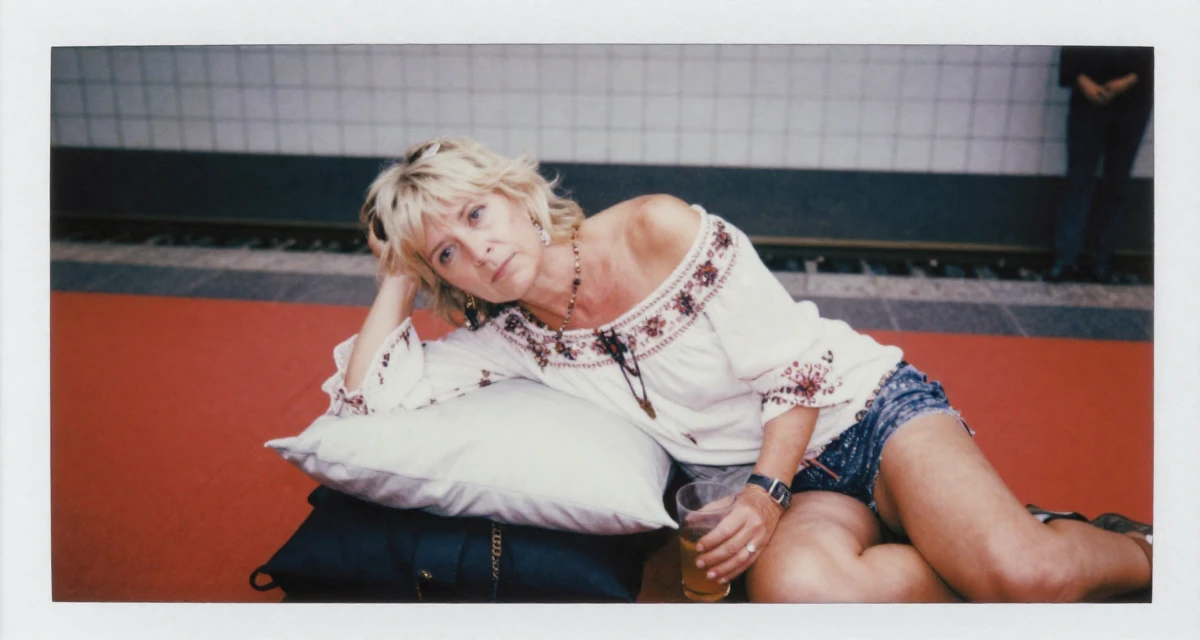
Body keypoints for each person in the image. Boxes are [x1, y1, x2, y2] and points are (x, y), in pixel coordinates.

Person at [323, 136, 1152, 603]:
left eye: (477, 213)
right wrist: (398, 272)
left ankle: (1135, 550)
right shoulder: (506, 338)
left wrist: (765, 493)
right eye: (447, 253)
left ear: (518, 195)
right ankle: (967, 534)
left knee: (1029, 579)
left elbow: (797, 369)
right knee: (802, 603)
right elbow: (367, 408)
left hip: (857, 415)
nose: (480, 248)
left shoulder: (654, 228)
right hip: (793, 490)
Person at [1046, 46, 1153, 284]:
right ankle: (1068, 259)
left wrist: (1130, 79)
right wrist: (1083, 81)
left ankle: (1099, 261)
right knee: (1080, 179)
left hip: (1133, 98)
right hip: (1095, 95)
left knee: (1115, 181)